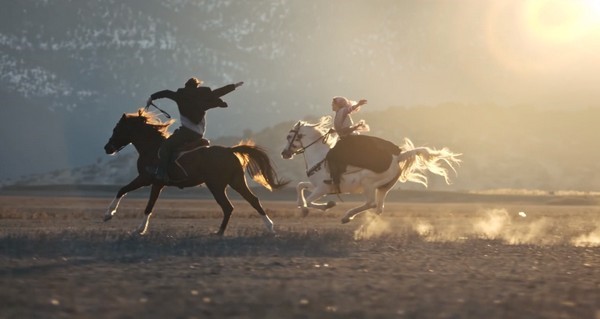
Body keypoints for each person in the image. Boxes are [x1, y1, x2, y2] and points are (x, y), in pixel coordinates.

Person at [145, 77, 244, 182]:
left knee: (166, 146)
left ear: (186, 86)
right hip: (199, 132)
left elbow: (166, 93)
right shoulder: (203, 94)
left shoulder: (179, 95)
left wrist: (151, 98)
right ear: (197, 86)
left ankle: (161, 173)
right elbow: (218, 92)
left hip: (187, 132)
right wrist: (234, 86)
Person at [325, 96, 369, 191]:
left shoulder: (342, 110)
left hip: (349, 139)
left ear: (338, 105)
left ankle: (336, 180)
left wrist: (358, 104)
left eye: (333, 104)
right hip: (346, 138)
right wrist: (334, 130)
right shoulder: (338, 113)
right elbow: (341, 128)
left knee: (332, 156)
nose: (331, 105)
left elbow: (349, 109)